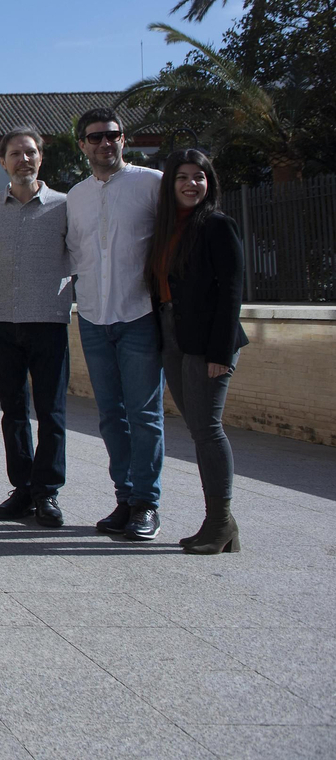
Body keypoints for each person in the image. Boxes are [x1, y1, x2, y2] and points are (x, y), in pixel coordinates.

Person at [66, 108, 166, 541]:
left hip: (139, 314)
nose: (105, 143)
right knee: (110, 416)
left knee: (145, 415)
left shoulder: (152, 184)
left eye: (113, 136)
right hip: (93, 315)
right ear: (83, 145)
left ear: (124, 140)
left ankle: (147, 503)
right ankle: (125, 499)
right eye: (95, 138)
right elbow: (73, 254)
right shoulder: (75, 196)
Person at [149, 148, 248, 554]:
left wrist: (220, 354)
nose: (192, 184)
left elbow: (232, 294)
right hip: (174, 336)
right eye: (183, 177)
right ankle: (226, 526)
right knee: (196, 428)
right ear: (170, 184)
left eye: (200, 177)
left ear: (210, 183)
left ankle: (219, 521)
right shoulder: (168, 229)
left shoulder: (217, 226)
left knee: (208, 430)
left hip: (209, 343)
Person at [0, 127, 72, 527]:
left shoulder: (66, 207)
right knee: (13, 411)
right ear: (3, 162)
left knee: (52, 411)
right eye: (15, 154)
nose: (23, 160)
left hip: (49, 320)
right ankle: (23, 488)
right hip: (2, 321)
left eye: (30, 152)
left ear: (41, 158)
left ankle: (47, 492)